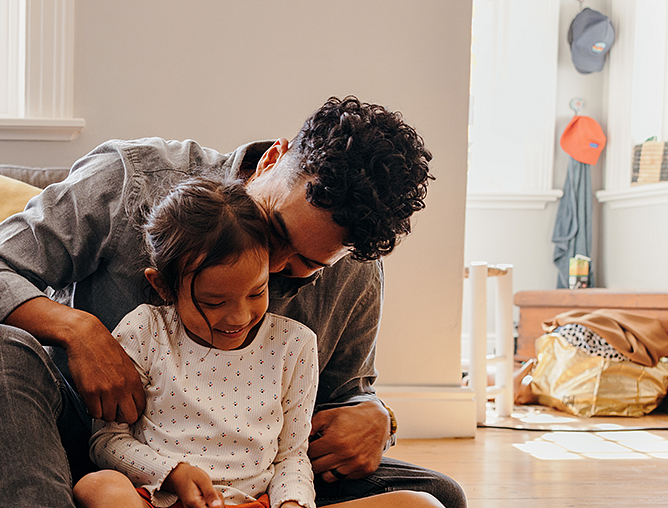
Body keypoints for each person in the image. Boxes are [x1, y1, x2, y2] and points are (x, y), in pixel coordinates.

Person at [0, 96, 465, 508]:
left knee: (441, 497)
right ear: (273, 160)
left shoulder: (354, 272)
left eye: (303, 266)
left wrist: (377, 417)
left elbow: (344, 393)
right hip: (94, 438)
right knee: (0, 347)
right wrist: (79, 330)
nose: (271, 266)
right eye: (277, 231)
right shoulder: (132, 178)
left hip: (253, 469)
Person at [70, 177, 441, 508]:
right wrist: (172, 472)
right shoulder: (146, 330)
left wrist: (293, 502)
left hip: (256, 502)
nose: (239, 317)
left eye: (257, 292)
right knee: (98, 487)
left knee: (423, 503)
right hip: (160, 497)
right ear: (163, 287)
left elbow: (292, 456)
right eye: (214, 302)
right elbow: (106, 442)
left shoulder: (294, 344)